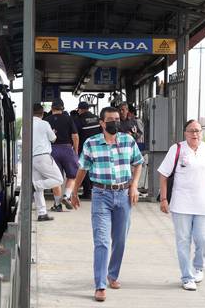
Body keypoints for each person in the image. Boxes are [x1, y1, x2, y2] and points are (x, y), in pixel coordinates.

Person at [71, 106, 144, 302]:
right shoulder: (91, 143)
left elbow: (138, 162)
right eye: (111, 120)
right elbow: (82, 169)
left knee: (120, 240)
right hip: (101, 195)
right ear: (102, 123)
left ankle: (112, 274)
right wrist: (74, 191)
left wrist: (134, 185)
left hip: (124, 195)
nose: (115, 123)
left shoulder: (128, 141)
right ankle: (100, 285)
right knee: (102, 241)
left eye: (117, 119)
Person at [157, 119, 205, 291]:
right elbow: (163, 175)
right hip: (181, 204)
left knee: (203, 239)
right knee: (183, 241)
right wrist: (164, 199)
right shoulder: (177, 149)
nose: (195, 134)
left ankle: (198, 267)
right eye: (191, 131)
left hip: (204, 204)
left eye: (198, 130)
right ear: (185, 133)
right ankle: (187, 277)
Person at [32, 103, 65, 221]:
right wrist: (53, 133)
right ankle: (34, 186)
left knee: (38, 189)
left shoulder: (26, 124)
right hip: (43, 156)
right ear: (42, 113)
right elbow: (53, 139)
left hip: (31, 158)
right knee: (58, 179)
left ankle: (42, 213)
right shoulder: (44, 123)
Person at [44, 98, 79, 211]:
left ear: (51, 108)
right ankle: (66, 196)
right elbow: (75, 136)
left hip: (52, 150)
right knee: (72, 176)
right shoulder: (68, 119)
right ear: (62, 108)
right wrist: (76, 150)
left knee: (56, 178)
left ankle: (57, 204)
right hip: (67, 149)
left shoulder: (46, 120)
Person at [74, 101, 102, 199]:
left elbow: (75, 134)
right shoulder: (97, 118)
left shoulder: (78, 120)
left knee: (85, 168)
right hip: (98, 148)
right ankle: (96, 190)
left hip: (85, 148)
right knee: (96, 168)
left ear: (80, 110)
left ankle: (87, 192)